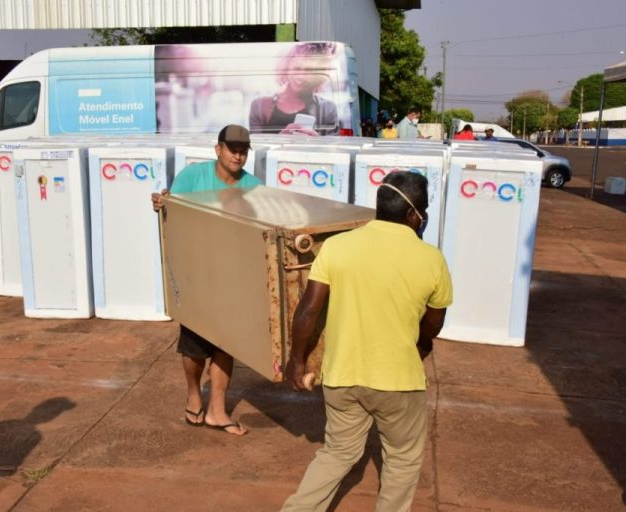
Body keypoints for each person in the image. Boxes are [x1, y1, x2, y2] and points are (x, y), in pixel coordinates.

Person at [281, 171, 453, 512]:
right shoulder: (431, 259)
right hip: (399, 382)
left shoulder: (338, 246)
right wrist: (417, 346)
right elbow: (433, 325)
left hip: (342, 376)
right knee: (402, 460)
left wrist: (297, 361)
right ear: (413, 215)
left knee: (338, 453)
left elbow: (308, 311)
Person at [152, 124, 262, 436]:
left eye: (243, 150)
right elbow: (171, 210)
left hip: (232, 275)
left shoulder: (254, 186)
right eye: (232, 149)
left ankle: (217, 410)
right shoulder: (192, 177)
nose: (238, 155)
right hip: (195, 274)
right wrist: (161, 203)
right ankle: (192, 390)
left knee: (225, 343)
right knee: (194, 348)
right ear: (218, 149)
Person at [249, 42, 339, 135]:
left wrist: (316, 142)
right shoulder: (259, 106)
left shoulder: (327, 109)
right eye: (297, 68)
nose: (301, 76)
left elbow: (332, 147)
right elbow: (254, 147)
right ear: (286, 66)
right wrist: (280, 140)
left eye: (309, 70)